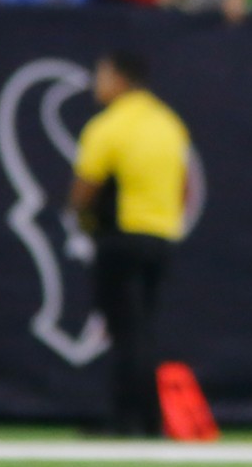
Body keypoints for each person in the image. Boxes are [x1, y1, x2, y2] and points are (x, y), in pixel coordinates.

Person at [68, 50, 191, 437]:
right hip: (162, 237)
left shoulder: (109, 126)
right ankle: (150, 419)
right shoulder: (169, 123)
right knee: (144, 330)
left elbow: (84, 191)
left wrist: (83, 223)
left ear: (120, 80)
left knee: (124, 331)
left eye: (102, 75)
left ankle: (126, 421)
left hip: (121, 238)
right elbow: (186, 186)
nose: (97, 84)